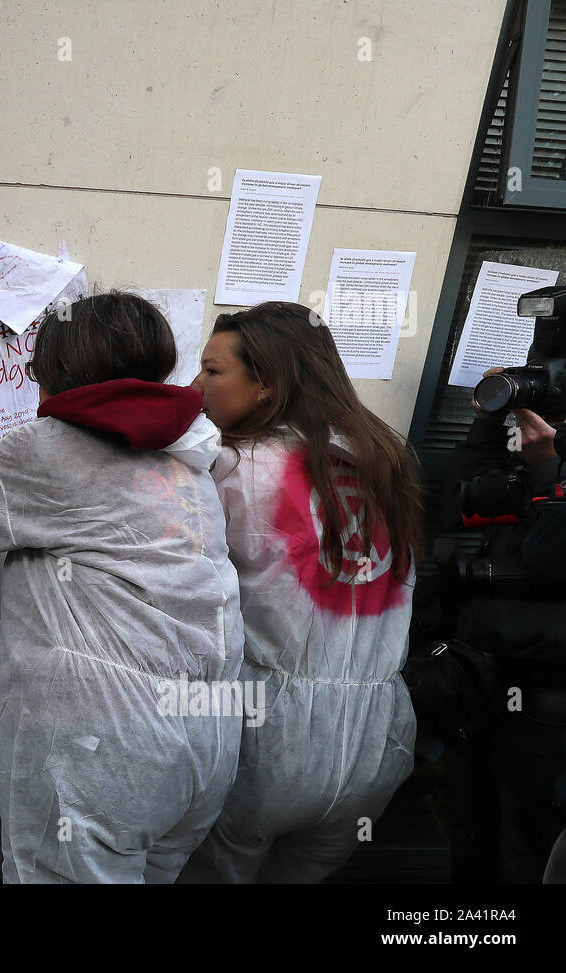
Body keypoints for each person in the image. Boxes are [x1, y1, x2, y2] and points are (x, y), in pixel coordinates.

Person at [0, 291, 245, 883]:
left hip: (101, 745)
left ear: (55, 375)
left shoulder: (43, 449)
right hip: (205, 740)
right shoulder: (189, 450)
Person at [178, 302, 421, 883]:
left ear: (267, 384)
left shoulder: (239, 465)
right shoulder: (386, 461)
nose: (195, 386)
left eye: (213, 371)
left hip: (265, 746)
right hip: (374, 745)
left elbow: (186, 591)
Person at [431, 361, 566, 883]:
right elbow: (456, 508)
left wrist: (549, 472)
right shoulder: (540, 454)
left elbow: (552, 558)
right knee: (470, 846)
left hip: (548, 705)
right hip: (484, 684)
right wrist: (490, 422)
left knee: (525, 857)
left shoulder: (549, 465)